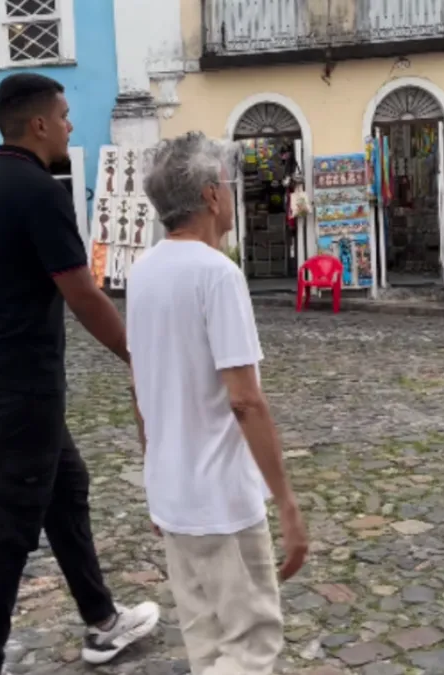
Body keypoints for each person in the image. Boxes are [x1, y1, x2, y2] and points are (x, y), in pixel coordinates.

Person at [0, 72, 160, 675]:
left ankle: (102, 622)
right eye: (63, 115)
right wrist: (138, 357)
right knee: (9, 526)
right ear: (38, 124)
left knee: (66, 488)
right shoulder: (41, 191)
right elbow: (82, 292)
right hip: (24, 383)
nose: (70, 124)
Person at [127, 132, 309, 675]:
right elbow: (246, 401)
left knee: (206, 645)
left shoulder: (142, 273)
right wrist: (287, 502)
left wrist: (152, 467)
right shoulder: (217, 274)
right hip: (221, 497)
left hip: (174, 492)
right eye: (228, 185)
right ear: (211, 196)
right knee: (251, 649)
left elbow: (141, 387)